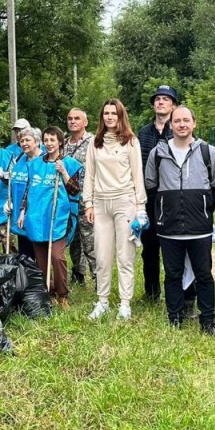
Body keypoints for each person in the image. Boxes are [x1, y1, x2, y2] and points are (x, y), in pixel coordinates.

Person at [144, 106, 215, 334]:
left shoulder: (207, 152)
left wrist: (202, 208)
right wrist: (164, 209)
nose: (182, 124)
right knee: (172, 275)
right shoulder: (158, 153)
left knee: (204, 275)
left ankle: (208, 321)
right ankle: (175, 318)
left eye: (186, 120)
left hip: (200, 229)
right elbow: (151, 186)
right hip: (168, 229)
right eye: (177, 121)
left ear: (194, 123)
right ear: (170, 125)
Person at [83, 99, 147, 320]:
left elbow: (138, 175)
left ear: (121, 116)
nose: (109, 117)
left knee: (125, 255)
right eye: (106, 113)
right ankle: (102, 301)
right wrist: (88, 203)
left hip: (125, 201)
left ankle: (125, 303)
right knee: (102, 255)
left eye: (114, 113)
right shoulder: (95, 142)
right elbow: (89, 175)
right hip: (100, 204)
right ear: (102, 117)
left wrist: (141, 208)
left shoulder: (130, 142)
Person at [20, 127, 83, 309]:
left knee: (57, 256)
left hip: (58, 217)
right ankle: (49, 292)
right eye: (46, 140)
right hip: (37, 218)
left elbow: (75, 191)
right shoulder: (35, 164)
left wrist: (63, 172)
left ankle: (63, 294)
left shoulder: (69, 163)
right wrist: (23, 211)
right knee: (41, 260)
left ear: (60, 142)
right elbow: (28, 190)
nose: (48, 143)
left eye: (52, 140)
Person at [137, 85, 177, 304]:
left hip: (173, 199)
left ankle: (175, 292)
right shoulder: (144, 133)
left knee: (173, 249)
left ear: (173, 104)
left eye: (166, 99)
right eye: (157, 99)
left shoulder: (180, 128)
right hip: (149, 199)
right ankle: (151, 293)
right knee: (149, 248)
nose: (161, 102)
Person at [64, 108, 96, 283]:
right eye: (70, 119)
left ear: (85, 122)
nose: (73, 121)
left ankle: (98, 277)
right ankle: (78, 273)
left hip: (87, 200)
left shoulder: (93, 142)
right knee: (73, 239)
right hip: (68, 201)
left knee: (90, 242)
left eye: (77, 118)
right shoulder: (63, 143)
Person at [7, 127, 42, 258]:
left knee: (38, 251)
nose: (24, 143)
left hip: (36, 213)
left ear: (37, 142)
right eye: (22, 141)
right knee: (24, 250)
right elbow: (13, 182)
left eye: (28, 140)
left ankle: (41, 276)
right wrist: (9, 201)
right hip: (18, 212)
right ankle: (26, 276)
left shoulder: (44, 161)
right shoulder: (20, 159)